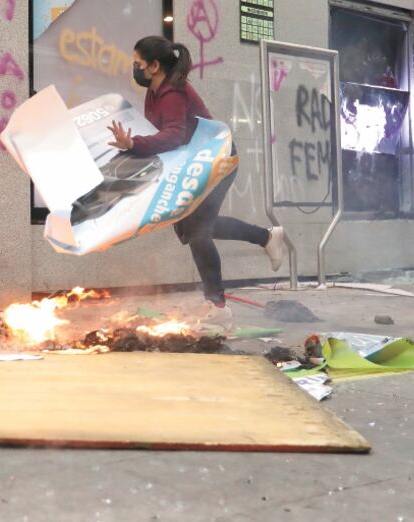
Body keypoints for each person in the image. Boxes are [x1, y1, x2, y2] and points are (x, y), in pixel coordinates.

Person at [107, 35, 286, 325]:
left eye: (138, 64)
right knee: (200, 227)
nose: (134, 68)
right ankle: (266, 237)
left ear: (154, 66)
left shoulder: (172, 93)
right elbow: (164, 135)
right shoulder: (155, 91)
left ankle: (218, 306)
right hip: (196, 164)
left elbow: (174, 135)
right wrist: (133, 149)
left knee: (198, 232)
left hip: (217, 162)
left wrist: (134, 144)